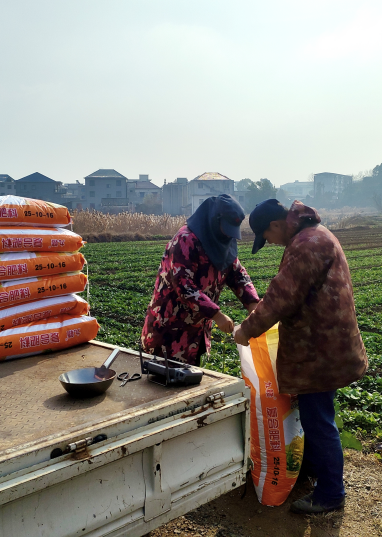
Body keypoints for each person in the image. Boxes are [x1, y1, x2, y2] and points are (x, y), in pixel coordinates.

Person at [233, 199, 368, 514]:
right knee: (314, 416)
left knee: (318, 421)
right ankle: (315, 474)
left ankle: (331, 494)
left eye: (267, 237)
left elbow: (281, 297)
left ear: (276, 225)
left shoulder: (306, 245)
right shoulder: (314, 235)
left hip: (320, 350)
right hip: (326, 344)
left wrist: (246, 330)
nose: (270, 242)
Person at [142, 194, 259, 366]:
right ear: (215, 220)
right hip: (169, 332)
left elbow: (238, 274)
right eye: (226, 229)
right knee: (165, 378)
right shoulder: (185, 240)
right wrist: (216, 315)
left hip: (196, 333)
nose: (228, 235)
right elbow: (184, 285)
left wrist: (253, 304)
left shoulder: (223, 242)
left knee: (190, 377)